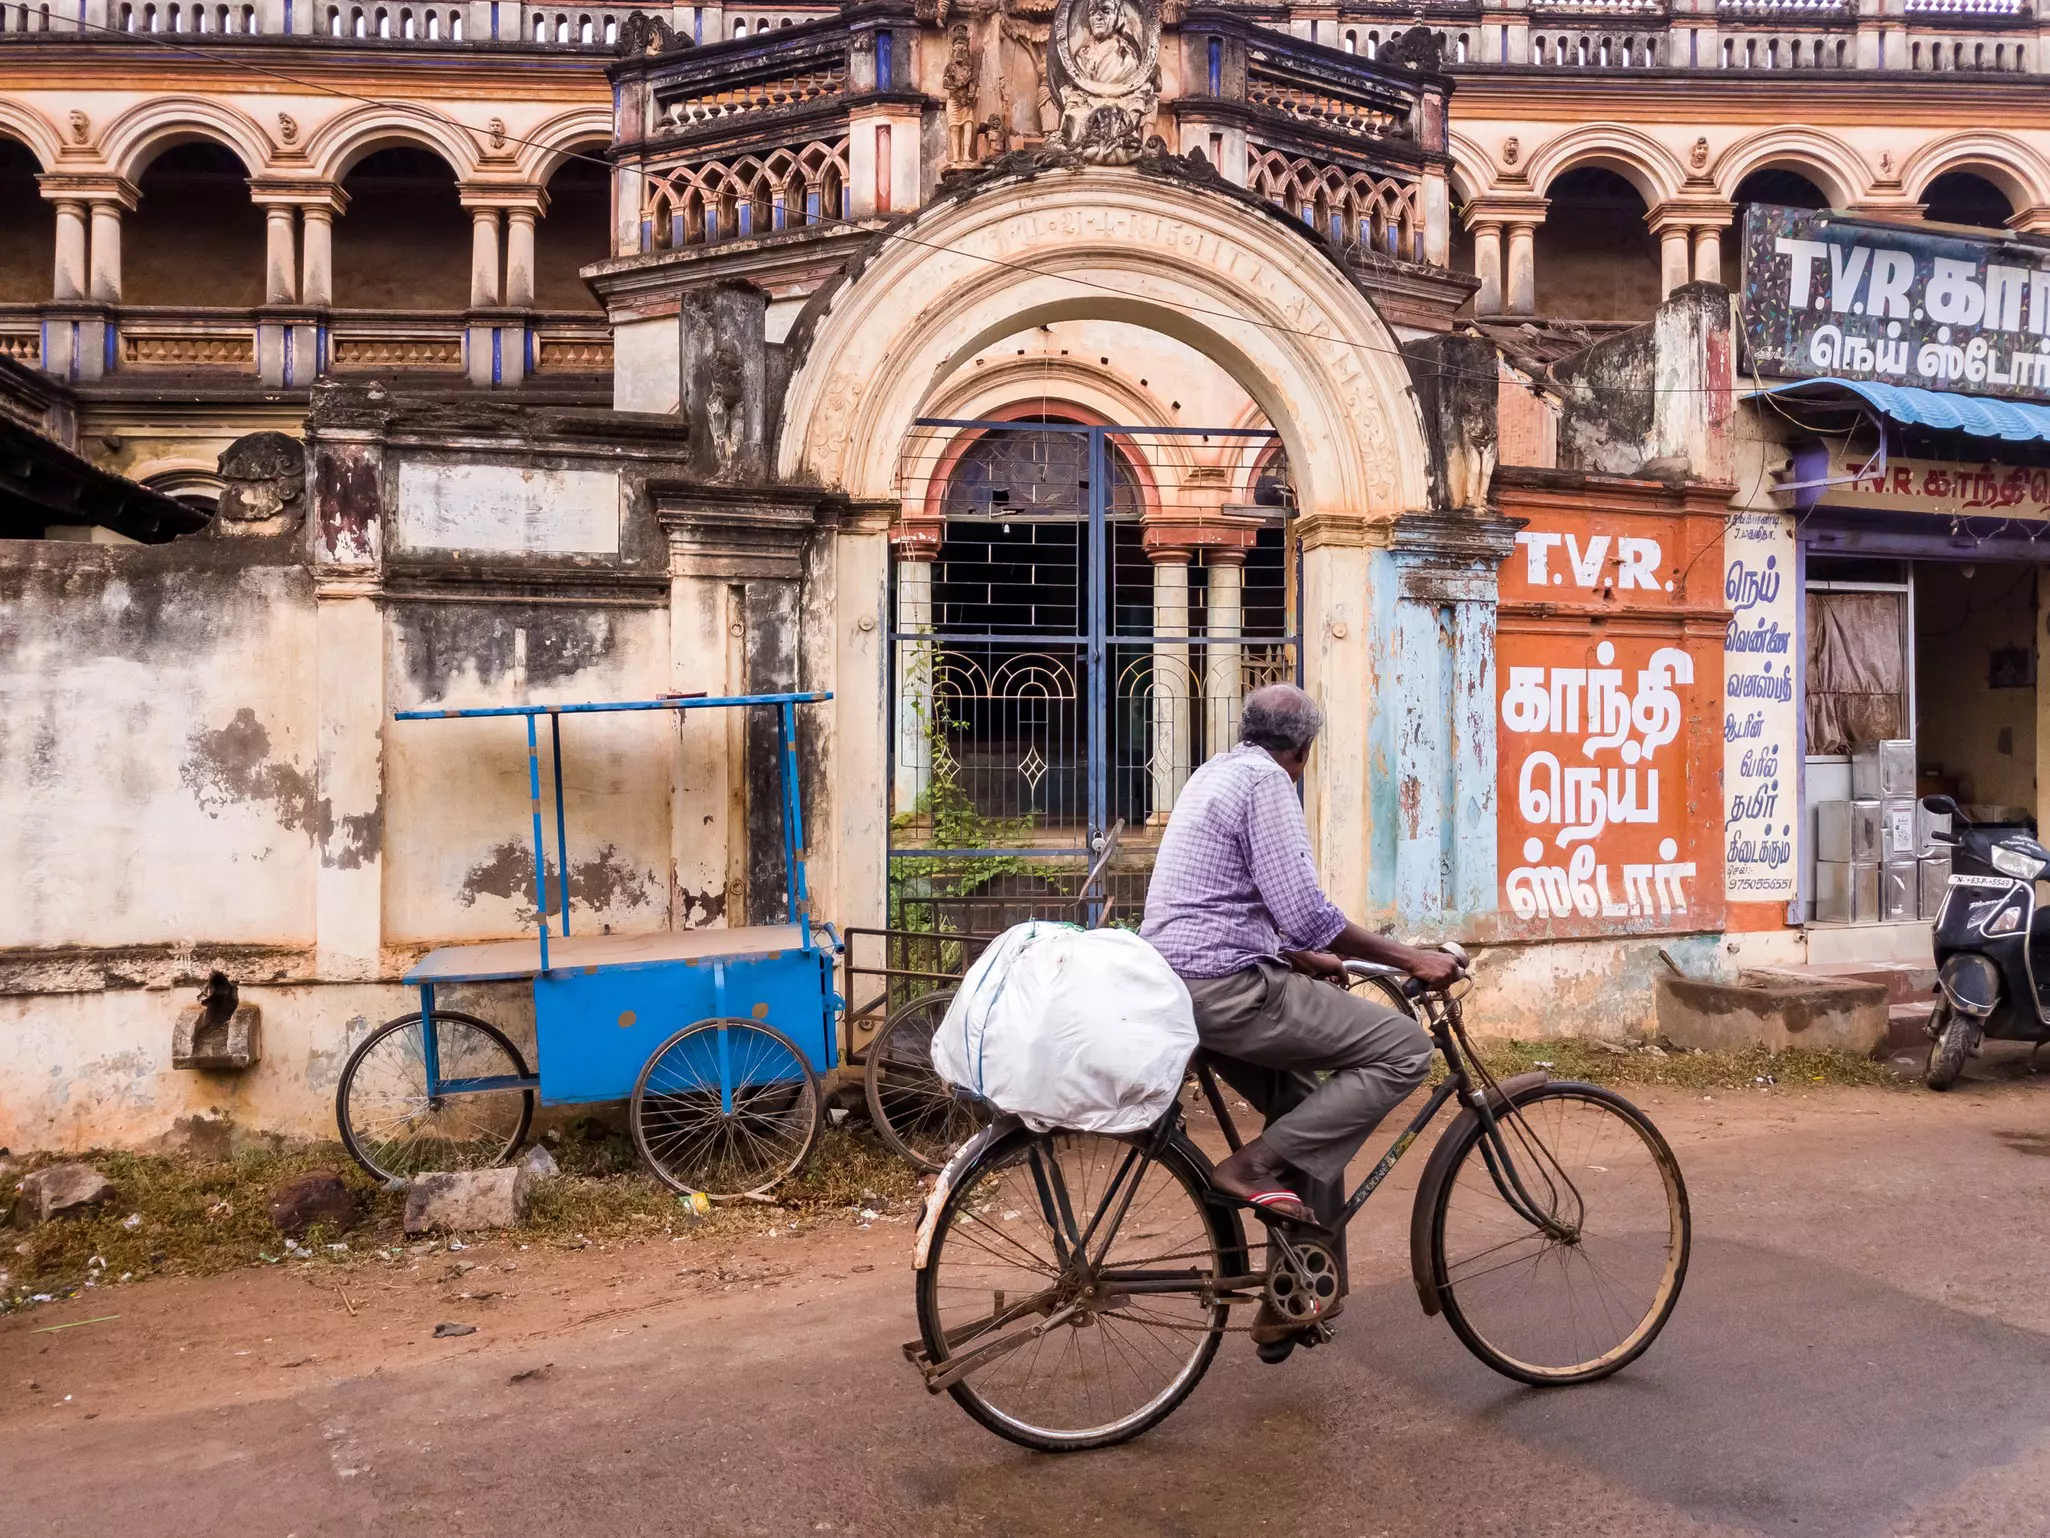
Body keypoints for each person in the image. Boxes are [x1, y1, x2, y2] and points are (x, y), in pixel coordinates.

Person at [1141, 683, 1460, 1240]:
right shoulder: (1268, 782)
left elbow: (1226, 900)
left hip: (1177, 986)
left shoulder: (1213, 772)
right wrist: (1413, 958)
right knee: (1406, 1049)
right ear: (1305, 750)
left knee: (1307, 1108)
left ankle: (1302, 1294)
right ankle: (1250, 1166)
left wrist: (1299, 953)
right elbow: (1307, 912)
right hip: (1230, 991)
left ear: (1246, 731)